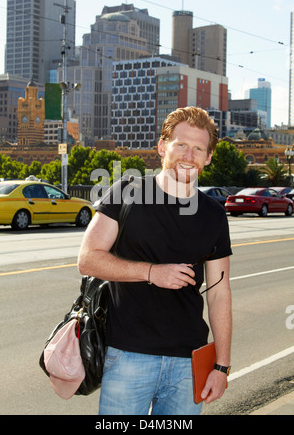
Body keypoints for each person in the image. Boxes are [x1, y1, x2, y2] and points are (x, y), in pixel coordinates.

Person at [78, 106, 232, 415]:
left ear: (208, 157)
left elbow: (219, 292)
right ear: (163, 146)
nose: (189, 155)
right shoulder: (126, 193)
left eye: (199, 148)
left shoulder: (214, 214)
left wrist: (222, 365)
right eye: (181, 144)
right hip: (128, 357)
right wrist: (151, 272)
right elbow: (88, 260)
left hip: (189, 363)